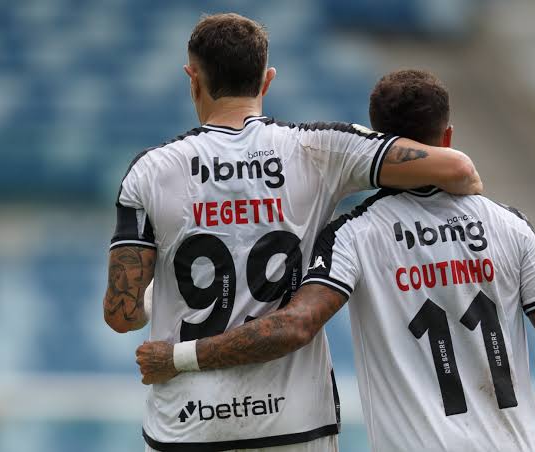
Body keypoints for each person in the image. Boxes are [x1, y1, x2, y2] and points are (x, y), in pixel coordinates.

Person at [137, 70, 535, 452]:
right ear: (446, 138)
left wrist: (179, 357)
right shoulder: (510, 226)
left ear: (379, 141)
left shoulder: (355, 234)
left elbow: (295, 326)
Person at [104, 12, 483, 452]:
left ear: (193, 80)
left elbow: (121, 315)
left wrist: (157, 295)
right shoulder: (319, 148)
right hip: (295, 424)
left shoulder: (150, 171)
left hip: (188, 425)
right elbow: (458, 169)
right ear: (267, 80)